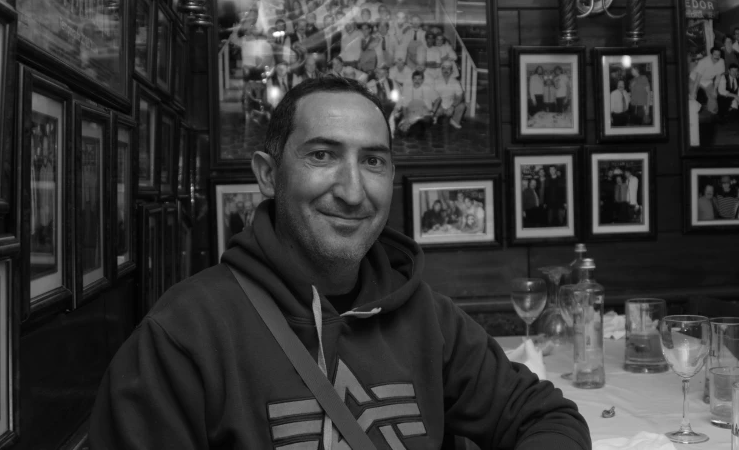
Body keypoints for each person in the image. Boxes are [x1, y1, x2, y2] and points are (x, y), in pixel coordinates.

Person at [88, 76, 592, 449]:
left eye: (372, 161)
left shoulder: (427, 318)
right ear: (268, 175)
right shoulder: (181, 337)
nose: (353, 192)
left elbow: (549, 418)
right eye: (323, 155)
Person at [691, 46, 725, 114]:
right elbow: (697, 79)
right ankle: (692, 115)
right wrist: (694, 92)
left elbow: (718, 77)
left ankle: (712, 114)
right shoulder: (703, 62)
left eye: (719, 55)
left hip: (708, 80)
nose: (717, 57)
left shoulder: (721, 61)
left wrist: (715, 90)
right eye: (715, 54)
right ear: (711, 55)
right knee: (692, 96)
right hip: (694, 78)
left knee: (713, 96)